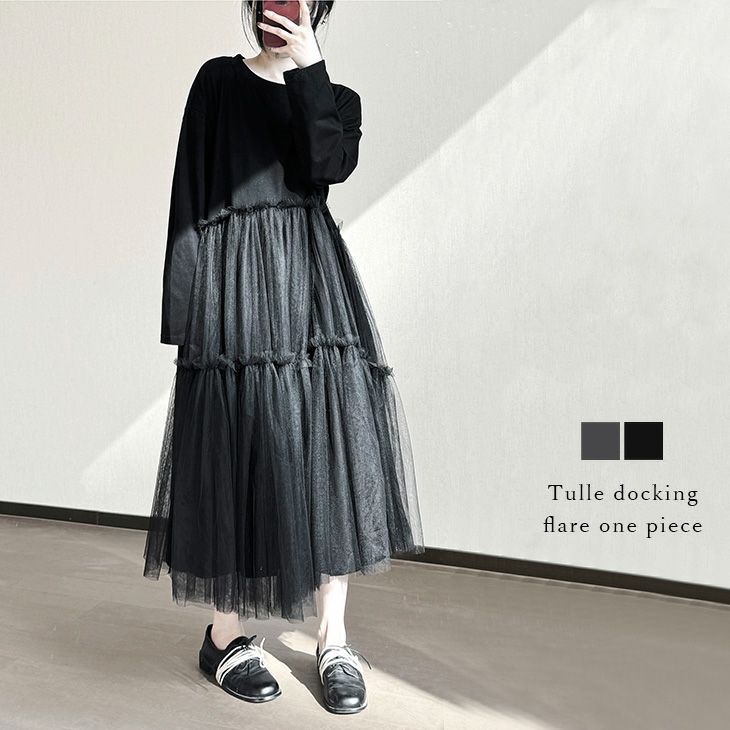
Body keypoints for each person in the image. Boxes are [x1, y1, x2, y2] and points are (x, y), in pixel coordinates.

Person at [143, 0, 424, 715]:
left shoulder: (336, 98)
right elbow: (188, 195)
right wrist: (184, 315)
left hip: (310, 287)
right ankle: (225, 636)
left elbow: (326, 166)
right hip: (232, 288)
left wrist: (308, 71)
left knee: (329, 445)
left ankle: (333, 640)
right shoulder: (217, 82)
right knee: (235, 446)